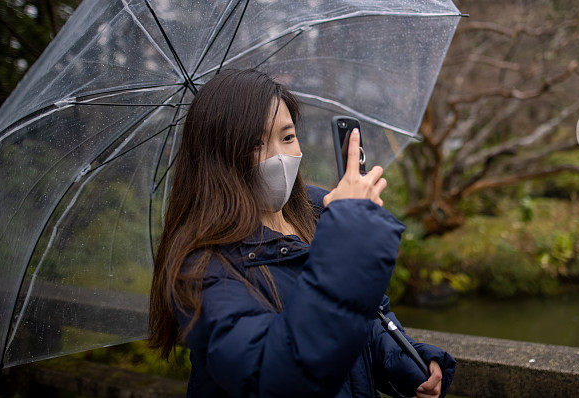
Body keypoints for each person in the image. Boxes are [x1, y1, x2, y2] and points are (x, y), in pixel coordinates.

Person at [147, 68, 456, 398]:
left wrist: (407, 362)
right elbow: (276, 372)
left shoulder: (318, 208)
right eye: (256, 143)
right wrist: (348, 234)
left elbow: (362, 314)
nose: (279, 157)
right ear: (220, 157)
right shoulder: (203, 266)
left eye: (287, 136)